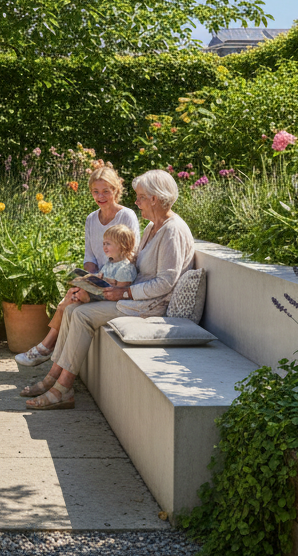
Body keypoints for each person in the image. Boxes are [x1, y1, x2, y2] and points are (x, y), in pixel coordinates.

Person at [21, 169, 194, 410]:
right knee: (72, 309)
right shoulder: (153, 227)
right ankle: (53, 378)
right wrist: (100, 283)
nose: (136, 202)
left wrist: (123, 293)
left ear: (154, 198)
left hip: (150, 306)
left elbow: (166, 282)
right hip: (134, 297)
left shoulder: (172, 230)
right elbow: (131, 265)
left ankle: (63, 388)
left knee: (80, 315)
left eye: (141, 196)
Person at [14, 165, 140, 366]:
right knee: (74, 294)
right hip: (98, 279)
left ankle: (46, 348)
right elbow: (89, 257)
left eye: (106, 191)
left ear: (116, 190)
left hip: (116, 281)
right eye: (95, 192)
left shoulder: (127, 216)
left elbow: (131, 253)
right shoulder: (91, 219)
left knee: (69, 301)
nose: (101, 196)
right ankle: (47, 350)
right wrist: (88, 279)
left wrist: (104, 280)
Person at [78, 224, 138, 301]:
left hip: (116, 303)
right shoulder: (110, 263)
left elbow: (118, 294)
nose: (104, 247)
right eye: (104, 244)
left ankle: (86, 298)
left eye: (108, 244)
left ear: (122, 246)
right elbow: (101, 277)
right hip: (103, 294)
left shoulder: (125, 269)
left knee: (81, 298)